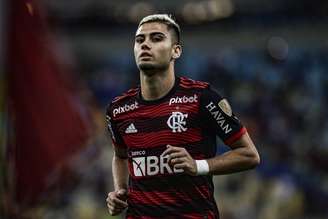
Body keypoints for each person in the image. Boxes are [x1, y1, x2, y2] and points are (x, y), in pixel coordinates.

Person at [105, 14, 260, 219]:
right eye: (140, 40)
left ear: (175, 51)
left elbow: (249, 154)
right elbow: (121, 155)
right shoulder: (118, 109)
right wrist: (120, 190)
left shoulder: (202, 98)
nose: (145, 45)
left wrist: (198, 166)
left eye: (157, 38)